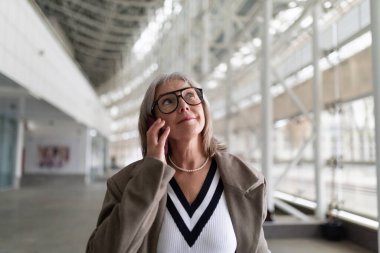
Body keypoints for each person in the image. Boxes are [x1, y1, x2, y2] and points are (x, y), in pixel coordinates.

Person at [86, 72, 270, 253]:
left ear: (203, 107)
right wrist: (150, 173)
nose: (183, 106)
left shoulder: (246, 180)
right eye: (168, 101)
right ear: (152, 122)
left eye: (190, 95)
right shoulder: (124, 184)